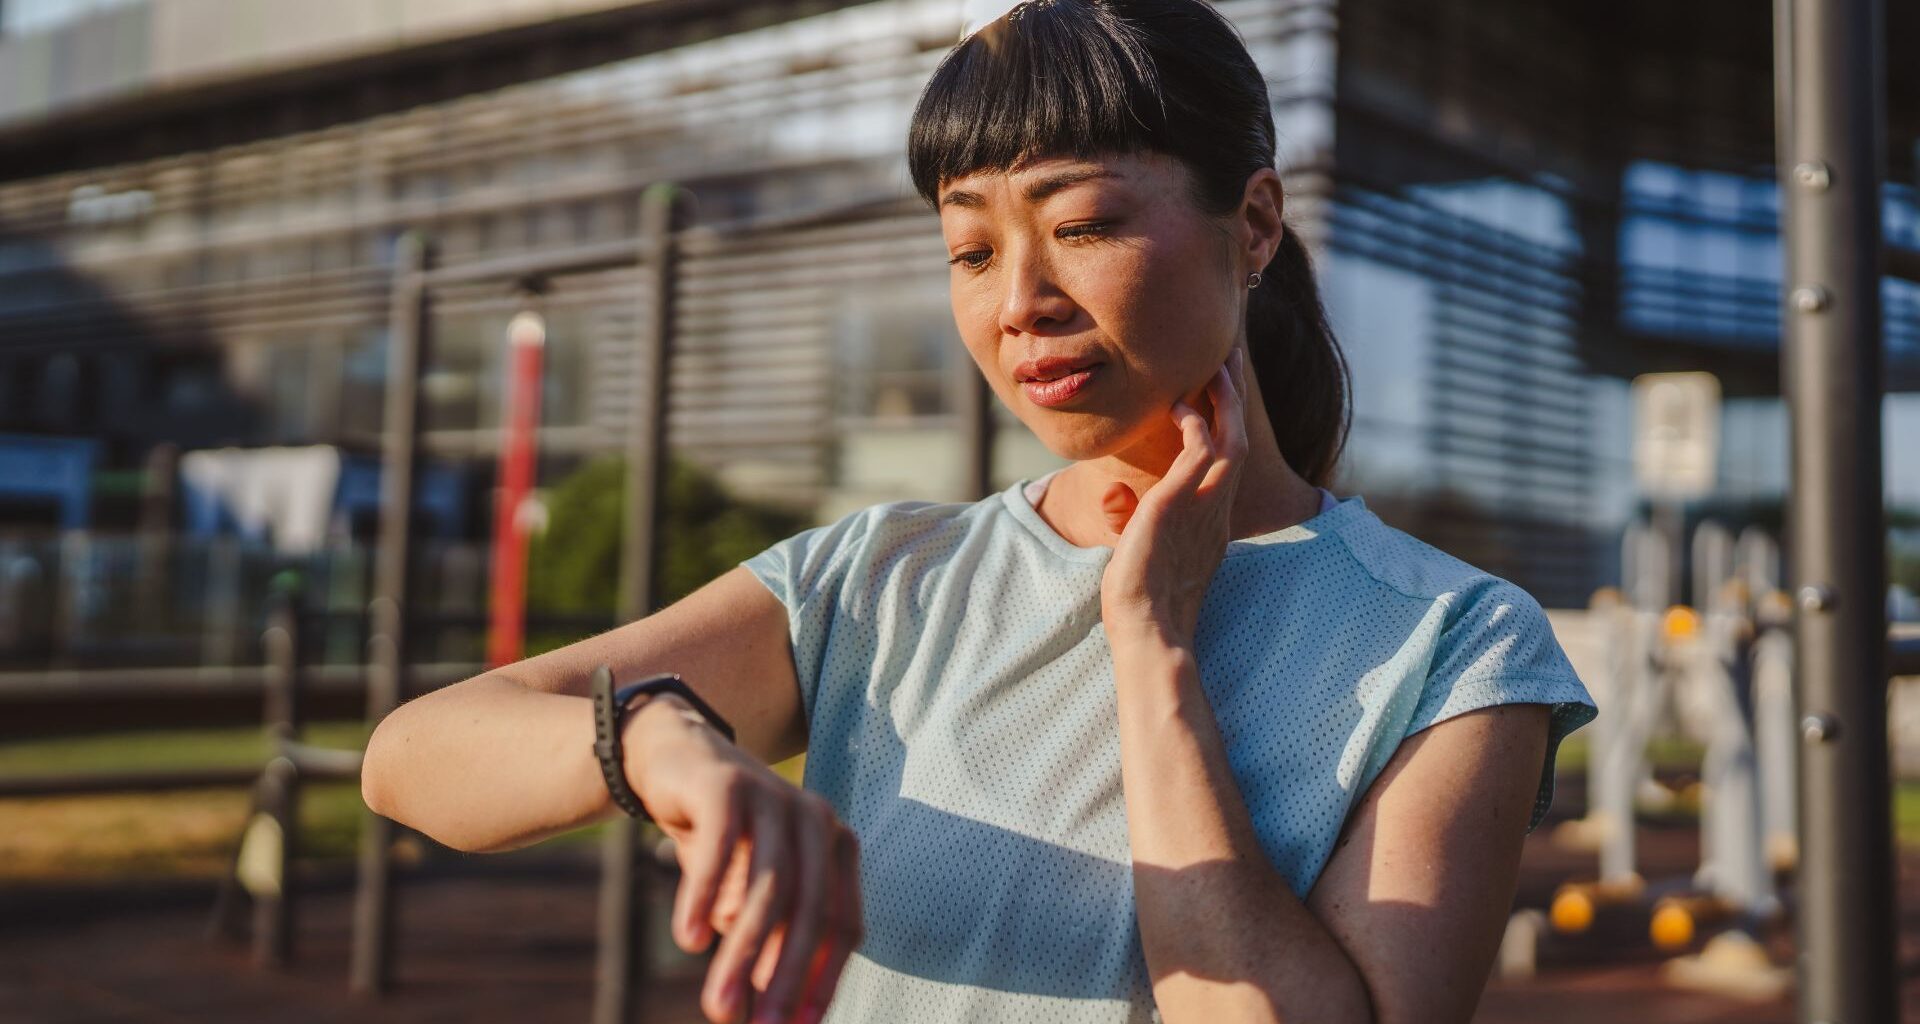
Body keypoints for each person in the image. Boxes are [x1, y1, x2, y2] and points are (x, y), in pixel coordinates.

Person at [360, 0, 1600, 1020]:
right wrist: (664, 739)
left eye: (1084, 224)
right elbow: (410, 758)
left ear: (1256, 223)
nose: (1020, 300)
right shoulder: (876, 578)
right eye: (969, 249)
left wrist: (1152, 647)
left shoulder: (1456, 645)